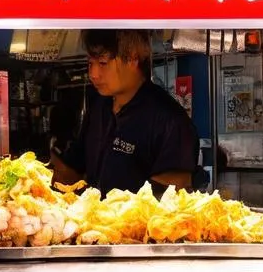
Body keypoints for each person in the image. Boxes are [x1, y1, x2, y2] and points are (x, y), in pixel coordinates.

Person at [51, 30, 197, 195]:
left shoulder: (169, 121)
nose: (93, 74)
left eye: (103, 63)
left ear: (133, 58)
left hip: (140, 220)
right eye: (90, 63)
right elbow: (75, 166)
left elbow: (174, 191)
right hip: (93, 218)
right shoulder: (100, 106)